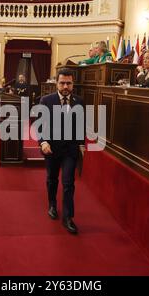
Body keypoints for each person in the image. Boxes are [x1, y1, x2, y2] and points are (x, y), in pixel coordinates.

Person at [38, 68, 85, 235]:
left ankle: (68, 217)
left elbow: (80, 126)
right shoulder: (46, 100)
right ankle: (52, 204)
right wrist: (43, 142)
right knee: (52, 179)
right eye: (62, 83)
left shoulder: (79, 102)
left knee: (68, 183)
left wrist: (81, 146)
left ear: (73, 84)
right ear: (56, 83)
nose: (65, 86)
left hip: (70, 150)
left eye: (69, 83)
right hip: (51, 148)